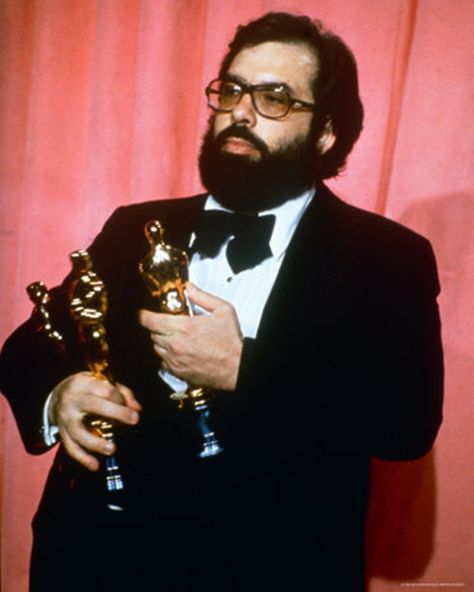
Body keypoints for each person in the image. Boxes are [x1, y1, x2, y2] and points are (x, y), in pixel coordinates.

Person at [0, 12, 443, 592]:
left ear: (327, 131)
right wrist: (59, 395)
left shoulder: (389, 256)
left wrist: (245, 368)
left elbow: (404, 424)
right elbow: (30, 345)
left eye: (275, 98)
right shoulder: (134, 227)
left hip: (274, 568)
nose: (239, 110)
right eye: (231, 89)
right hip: (97, 560)